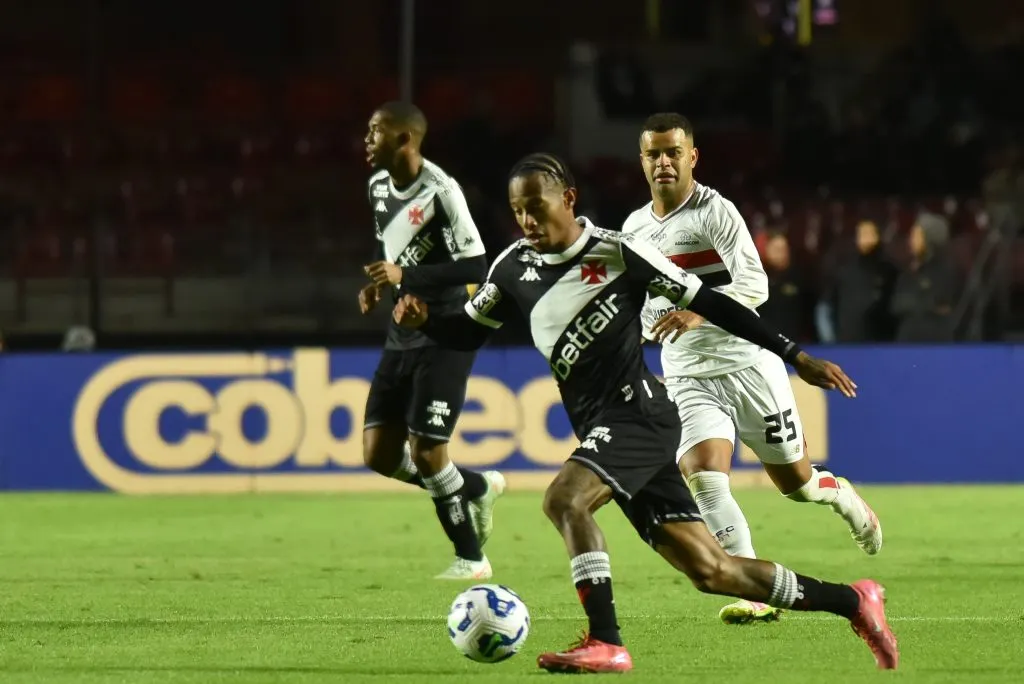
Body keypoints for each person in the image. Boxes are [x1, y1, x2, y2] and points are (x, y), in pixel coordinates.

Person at [393, 153, 898, 673]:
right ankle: (855, 601)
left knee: (565, 500)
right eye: (517, 211)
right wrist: (425, 318)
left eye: (536, 207)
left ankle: (606, 641)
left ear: (567, 199)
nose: (526, 222)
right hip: (607, 429)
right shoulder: (512, 268)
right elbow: (465, 333)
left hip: (640, 416)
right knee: (713, 571)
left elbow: (717, 303)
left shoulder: (620, 253)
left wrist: (797, 356)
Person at [622, 113, 883, 625]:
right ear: (642, 161)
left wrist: (699, 310)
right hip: (687, 373)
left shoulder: (715, 212)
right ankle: (753, 591)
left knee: (797, 484)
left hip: (747, 365)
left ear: (692, 157)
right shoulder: (633, 228)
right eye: (654, 153)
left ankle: (842, 496)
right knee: (702, 476)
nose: (663, 162)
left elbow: (755, 287)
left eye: (673, 152)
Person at [359, 101, 505, 580]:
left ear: (405, 139)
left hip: (444, 331)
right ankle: (475, 486)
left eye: (376, 131)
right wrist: (384, 283)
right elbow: (395, 251)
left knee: (426, 451)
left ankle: (471, 558)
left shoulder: (443, 192)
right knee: (378, 454)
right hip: (402, 330)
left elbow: (476, 267)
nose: (367, 138)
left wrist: (408, 274)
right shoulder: (378, 186)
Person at [824, 219, 898, 342]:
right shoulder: (845, 269)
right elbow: (831, 305)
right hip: (848, 341)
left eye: (869, 234)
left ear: (878, 237)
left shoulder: (889, 270)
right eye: (862, 234)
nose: (865, 239)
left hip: (880, 342)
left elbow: (893, 309)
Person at [891, 213, 957, 342]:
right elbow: (896, 305)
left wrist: (921, 304)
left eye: (917, 235)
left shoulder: (944, 270)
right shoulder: (907, 271)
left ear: (930, 238)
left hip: (934, 342)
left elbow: (940, 303)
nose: (911, 240)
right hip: (907, 341)